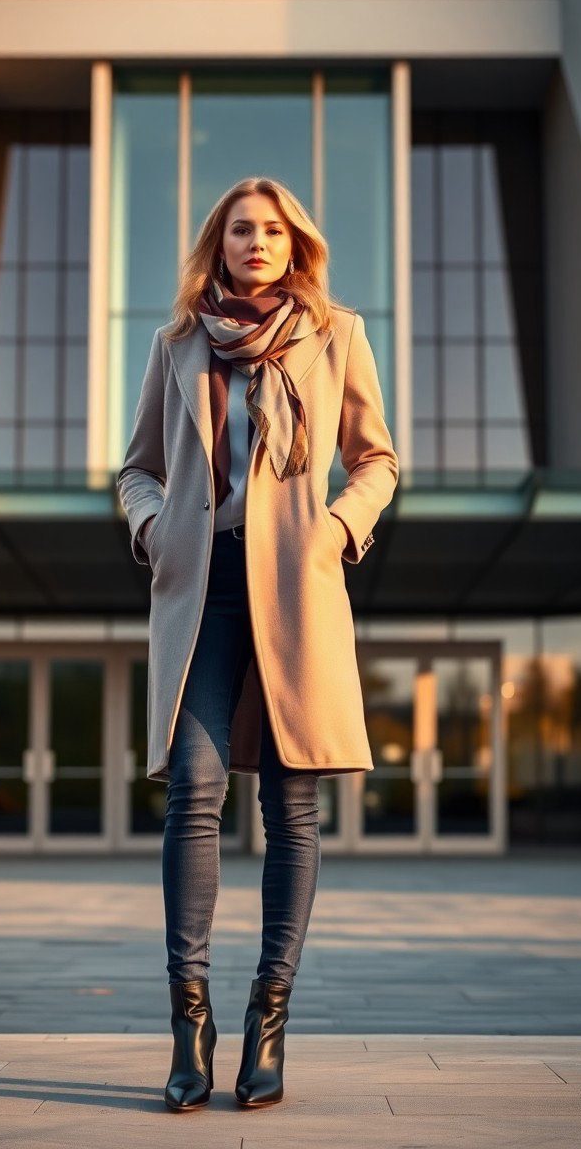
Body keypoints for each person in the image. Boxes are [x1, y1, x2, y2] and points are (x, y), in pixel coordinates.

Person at [116, 176, 399, 1112]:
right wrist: (155, 529)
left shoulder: (337, 337)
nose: (257, 242)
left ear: (294, 245)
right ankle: (187, 1026)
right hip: (202, 590)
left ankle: (268, 1021)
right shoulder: (178, 345)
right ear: (220, 242)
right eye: (241, 229)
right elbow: (139, 470)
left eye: (272, 230)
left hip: (295, 590)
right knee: (193, 789)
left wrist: (336, 530)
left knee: (293, 808)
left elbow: (377, 458)